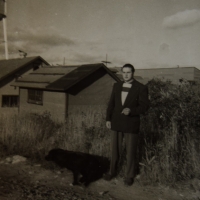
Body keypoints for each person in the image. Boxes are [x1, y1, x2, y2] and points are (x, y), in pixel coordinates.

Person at [104, 63, 149, 186]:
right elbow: (111, 104)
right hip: (116, 122)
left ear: (133, 73)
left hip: (131, 123)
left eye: (128, 72)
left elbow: (144, 106)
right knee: (114, 150)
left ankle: (129, 176)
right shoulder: (116, 85)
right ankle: (112, 172)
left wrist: (132, 111)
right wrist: (108, 119)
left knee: (130, 151)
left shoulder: (141, 88)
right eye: (124, 72)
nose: (126, 75)